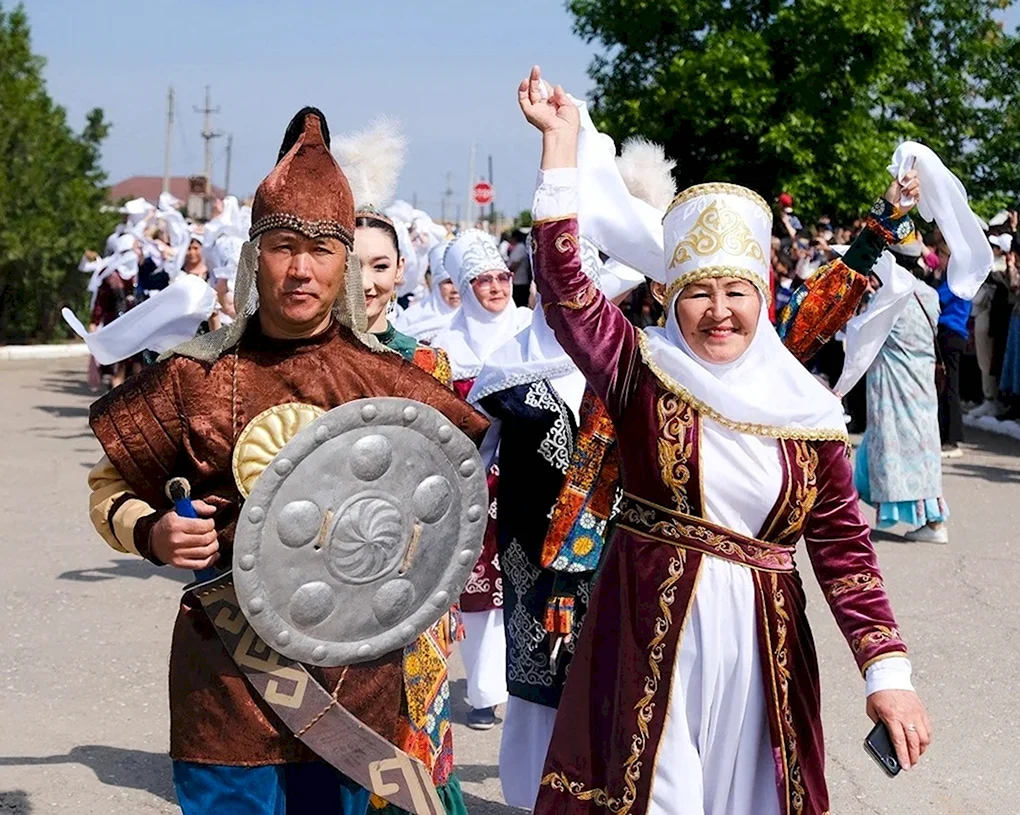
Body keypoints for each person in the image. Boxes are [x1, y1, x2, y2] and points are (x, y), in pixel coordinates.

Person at [519, 66, 930, 815]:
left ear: (762, 299)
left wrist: (887, 671)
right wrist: (559, 145)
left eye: (736, 291)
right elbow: (565, 287)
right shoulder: (640, 369)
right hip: (648, 639)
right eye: (699, 291)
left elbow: (844, 548)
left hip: (764, 657)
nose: (718, 312)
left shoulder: (805, 410)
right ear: (673, 298)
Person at [85, 106, 488, 815]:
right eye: (283, 247)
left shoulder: (390, 382)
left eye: (322, 250)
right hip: (225, 680)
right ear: (253, 257)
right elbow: (109, 486)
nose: (301, 269)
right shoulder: (194, 376)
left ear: (346, 263)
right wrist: (151, 532)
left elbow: (454, 500)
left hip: (352, 693)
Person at [352, 204, 468, 815]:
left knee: (414, 727)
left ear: (401, 271)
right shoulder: (297, 363)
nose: (366, 282)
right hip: (328, 585)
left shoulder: (428, 365)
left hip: (413, 580)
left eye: (379, 265)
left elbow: (449, 482)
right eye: (352, 265)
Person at [432, 229, 532, 729]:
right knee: (478, 586)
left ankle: (527, 678)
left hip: (529, 478)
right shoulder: (446, 344)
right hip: (473, 478)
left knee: (525, 580)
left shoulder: (531, 329)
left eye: (501, 277)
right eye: (482, 281)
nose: (495, 288)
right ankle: (483, 690)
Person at [855, 242, 949, 544]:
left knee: (889, 447)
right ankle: (933, 519)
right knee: (922, 450)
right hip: (922, 382)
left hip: (892, 386)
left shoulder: (889, 297)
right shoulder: (929, 295)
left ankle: (929, 520)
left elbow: (862, 336)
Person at [934, 238, 971, 457]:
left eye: (941, 255)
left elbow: (938, 299)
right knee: (944, 385)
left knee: (950, 387)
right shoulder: (953, 278)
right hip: (948, 333)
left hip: (952, 333)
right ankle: (945, 434)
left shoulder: (957, 281)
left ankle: (953, 439)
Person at [395, 241, 460, 344]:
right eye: (448, 282)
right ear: (437, 286)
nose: (455, 290)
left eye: (458, 282)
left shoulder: (473, 319)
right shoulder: (411, 317)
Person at [508, 228, 533, 306]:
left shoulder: (520, 248)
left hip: (520, 282)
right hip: (517, 281)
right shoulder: (518, 247)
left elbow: (515, 264)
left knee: (519, 304)